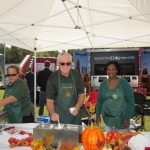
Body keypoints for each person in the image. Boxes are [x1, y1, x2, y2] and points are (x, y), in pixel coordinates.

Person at [46, 52, 85, 125]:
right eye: (62, 63)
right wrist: (52, 113)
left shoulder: (77, 76)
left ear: (71, 63)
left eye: (68, 63)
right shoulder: (52, 78)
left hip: (74, 118)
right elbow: (49, 101)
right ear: (58, 63)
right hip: (58, 118)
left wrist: (77, 107)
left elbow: (81, 95)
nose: (65, 66)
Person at [96, 60, 135, 131]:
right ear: (106, 71)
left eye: (113, 69)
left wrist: (127, 118)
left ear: (117, 70)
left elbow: (131, 102)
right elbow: (99, 101)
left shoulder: (124, 84)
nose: (111, 71)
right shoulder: (103, 84)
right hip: (108, 120)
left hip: (122, 121)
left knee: (122, 141)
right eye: (108, 69)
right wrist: (97, 115)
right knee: (109, 140)